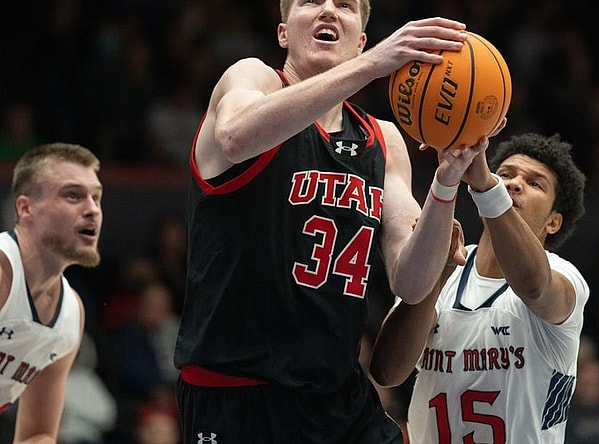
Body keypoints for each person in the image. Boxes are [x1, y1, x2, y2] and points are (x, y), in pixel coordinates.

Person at [173, 0, 496, 442]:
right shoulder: (252, 78)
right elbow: (234, 137)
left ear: (359, 39)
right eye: (311, 2)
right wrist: (370, 66)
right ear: (284, 32)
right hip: (240, 391)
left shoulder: (384, 139)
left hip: (337, 396)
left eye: (344, 5)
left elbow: (412, 282)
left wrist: (446, 183)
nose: (328, 11)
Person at [370, 132, 589, 442]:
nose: (513, 184)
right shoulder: (445, 263)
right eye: (506, 175)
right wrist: (437, 275)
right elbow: (387, 372)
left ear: (553, 222)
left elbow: (533, 287)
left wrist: (486, 184)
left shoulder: (564, 276)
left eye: (535, 183)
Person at [0, 143, 101, 443]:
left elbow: (37, 433)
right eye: (73, 195)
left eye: (96, 197)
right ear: (25, 207)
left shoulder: (70, 314)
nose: (92, 209)